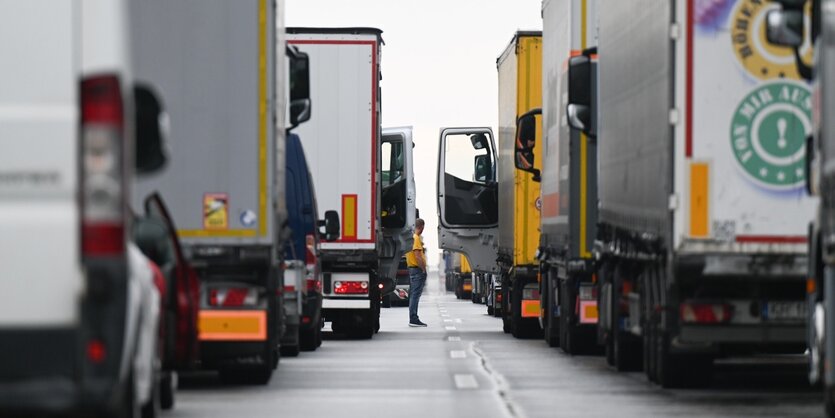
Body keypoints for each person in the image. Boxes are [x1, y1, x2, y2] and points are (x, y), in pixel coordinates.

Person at [406, 218, 427, 327]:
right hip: (416, 269)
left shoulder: (411, 238)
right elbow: (418, 256)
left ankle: (413, 317)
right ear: (422, 227)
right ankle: (413, 318)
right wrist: (423, 269)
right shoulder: (416, 238)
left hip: (412, 268)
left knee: (414, 294)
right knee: (415, 295)